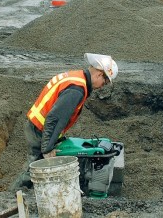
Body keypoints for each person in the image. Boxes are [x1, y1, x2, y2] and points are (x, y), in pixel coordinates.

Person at [10, 53, 118, 190]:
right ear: (98, 74)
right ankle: (11, 197)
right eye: (105, 81)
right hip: (39, 129)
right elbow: (54, 118)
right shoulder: (77, 89)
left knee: (37, 167)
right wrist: (47, 148)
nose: (103, 86)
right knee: (36, 168)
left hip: (39, 126)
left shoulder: (77, 77)